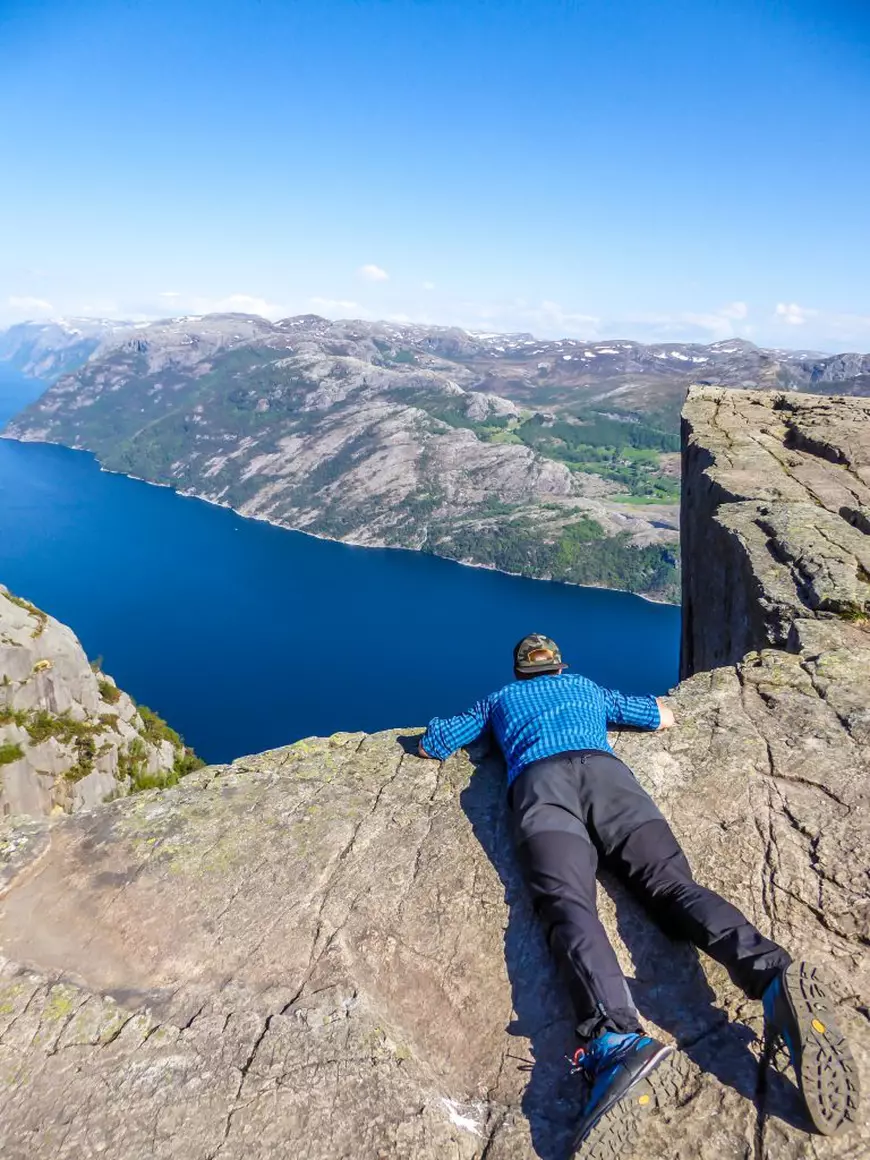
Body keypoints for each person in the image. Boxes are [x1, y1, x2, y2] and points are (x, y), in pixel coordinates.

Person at [417, 634, 859, 1156]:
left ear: (519, 673)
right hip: (611, 781)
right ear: (560, 668)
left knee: (568, 905)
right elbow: (658, 715)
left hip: (541, 791)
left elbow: (437, 742)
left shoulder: (500, 700)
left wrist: (469, 731)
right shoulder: (586, 688)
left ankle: (618, 1041)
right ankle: (773, 976)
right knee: (672, 885)